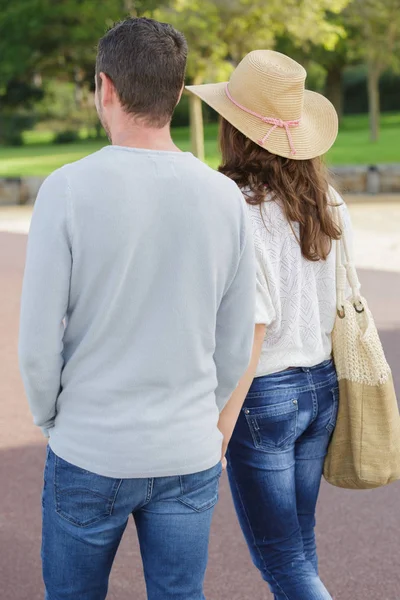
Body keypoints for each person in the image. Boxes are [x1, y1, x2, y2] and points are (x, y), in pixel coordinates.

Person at [19, 18, 256, 600]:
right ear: (178, 93)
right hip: (186, 445)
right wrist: (205, 415)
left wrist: (52, 419)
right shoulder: (224, 197)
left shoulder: (67, 190)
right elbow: (235, 340)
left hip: (91, 442)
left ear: (106, 88)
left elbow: (36, 342)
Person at [187, 49, 352, 600]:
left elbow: (253, 327)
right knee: (299, 549)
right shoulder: (325, 200)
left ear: (235, 130)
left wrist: (219, 429)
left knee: (284, 562)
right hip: (321, 388)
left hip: (265, 395)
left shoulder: (234, 204)